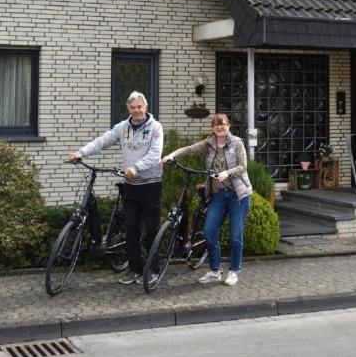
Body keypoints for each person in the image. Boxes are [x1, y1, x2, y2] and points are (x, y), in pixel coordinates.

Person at [67, 91, 163, 285]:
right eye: (133, 107)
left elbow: (155, 153)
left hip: (151, 185)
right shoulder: (122, 127)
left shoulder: (155, 127)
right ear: (128, 108)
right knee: (130, 230)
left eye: (139, 107)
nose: (136, 111)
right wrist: (81, 152)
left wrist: (136, 167)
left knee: (152, 230)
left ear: (146, 108)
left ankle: (153, 269)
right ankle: (134, 269)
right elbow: (103, 141)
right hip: (131, 186)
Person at [161, 113, 251, 286]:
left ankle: (233, 271)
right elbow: (189, 149)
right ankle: (215, 271)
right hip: (218, 195)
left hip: (238, 195)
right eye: (216, 125)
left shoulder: (237, 143)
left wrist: (228, 172)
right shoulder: (209, 144)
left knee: (235, 235)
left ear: (228, 126)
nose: (219, 127)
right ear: (213, 128)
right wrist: (172, 155)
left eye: (222, 124)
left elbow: (243, 166)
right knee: (209, 232)